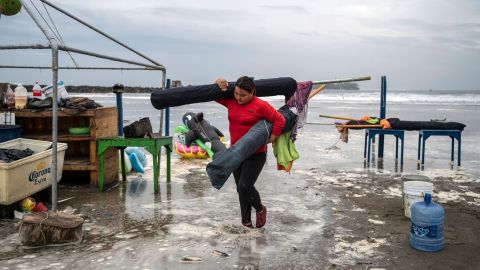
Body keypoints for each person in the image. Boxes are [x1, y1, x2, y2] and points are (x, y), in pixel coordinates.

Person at [215, 76, 286, 228]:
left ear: (252, 92)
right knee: (241, 190)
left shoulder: (260, 105)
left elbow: (279, 119)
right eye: (236, 94)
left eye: (242, 95)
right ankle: (246, 222)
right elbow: (214, 95)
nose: (238, 98)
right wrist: (217, 83)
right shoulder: (231, 101)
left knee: (245, 186)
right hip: (236, 153)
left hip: (256, 153)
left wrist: (273, 136)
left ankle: (260, 209)